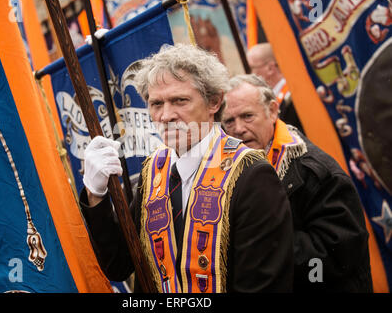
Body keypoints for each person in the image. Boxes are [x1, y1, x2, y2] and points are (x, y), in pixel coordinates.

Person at [80, 44, 294, 293]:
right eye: (156, 103)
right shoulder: (153, 171)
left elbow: (262, 286)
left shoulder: (252, 173)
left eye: (179, 100)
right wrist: (96, 194)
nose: (166, 115)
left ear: (214, 102)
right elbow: (118, 265)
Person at [221, 74, 373, 292]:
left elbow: (335, 259)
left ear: (272, 111)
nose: (238, 129)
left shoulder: (316, 172)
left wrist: (259, 244)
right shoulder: (229, 167)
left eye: (247, 116)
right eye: (229, 121)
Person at [247, 43, 304, 133]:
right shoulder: (273, 97)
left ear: (270, 68)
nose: (251, 74)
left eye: (252, 68)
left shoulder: (295, 96)